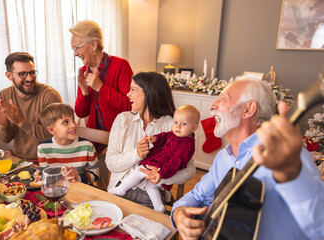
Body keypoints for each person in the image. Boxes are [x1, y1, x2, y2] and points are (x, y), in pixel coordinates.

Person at [171, 79, 324, 239]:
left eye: (222, 99)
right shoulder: (224, 157)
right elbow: (197, 195)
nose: (212, 105)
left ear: (248, 109)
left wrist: (292, 176)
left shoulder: (289, 157)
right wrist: (178, 213)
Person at [106, 72, 196, 209]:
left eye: (133, 89)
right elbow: (111, 163)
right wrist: (136, 154)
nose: (127, 94)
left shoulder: (173, 125)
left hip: (150, 194)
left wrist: (161, 175)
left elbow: (190, 170)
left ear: (149, 93)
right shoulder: (122, 120)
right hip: (119, 187)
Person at [109, 105, 199, 212]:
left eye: (184, 124)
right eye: (176, 123)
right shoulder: (175, 134)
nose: (178, 127)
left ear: (194, 128)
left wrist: (161, 173)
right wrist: (156, 138)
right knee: (150, 187)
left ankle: (121, 189)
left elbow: (176, 163)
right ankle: (159, 207)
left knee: (139, 170)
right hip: (159, 169)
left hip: (161, 167)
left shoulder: (186, 145)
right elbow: (165, 136)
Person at [0, 52, 62, 161]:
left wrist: (21, 121)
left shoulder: (49, 95)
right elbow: (6, 139)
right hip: (19, 159)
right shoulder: (4, 95)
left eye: (32, 73)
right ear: (9, 75)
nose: (29, 78)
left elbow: (57, 135)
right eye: (22, 74)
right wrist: (3, 125)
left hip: (49, 162)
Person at [70, 20, 133, 150]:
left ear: (93, 44)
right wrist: (84, 92)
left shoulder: (120, 66)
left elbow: (131, 106)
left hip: (120, 140)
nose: (75, 54)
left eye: (77, 48)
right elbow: (81, 113)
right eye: (73, 49)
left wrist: (101, 88)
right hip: (94, 140)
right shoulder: (84, 72)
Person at [37, 103, 99, 184]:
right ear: (52, 130)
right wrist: (40, 176)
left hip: (82, 190)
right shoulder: (43, 149)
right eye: (66, 122)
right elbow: (46, 176)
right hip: (58, 189)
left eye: (73, 119)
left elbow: (96, 174)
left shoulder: (87, 146)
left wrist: (78, 177)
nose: (73, 125)